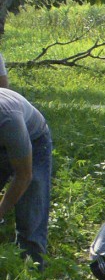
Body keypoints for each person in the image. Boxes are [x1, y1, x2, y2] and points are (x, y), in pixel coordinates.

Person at [0, 88, 53, 264]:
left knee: (30, 213)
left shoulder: (9, 121)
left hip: (34, 139)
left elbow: (24, 176)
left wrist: (0, 211)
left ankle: (32, 269)